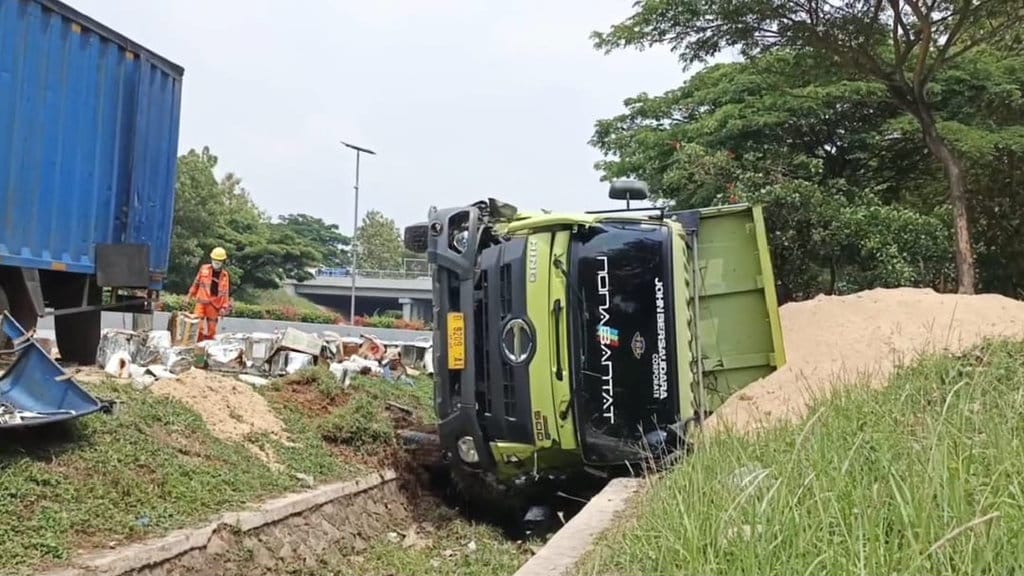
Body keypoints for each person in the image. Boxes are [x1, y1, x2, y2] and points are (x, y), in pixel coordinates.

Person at [188, 247, 232, 342]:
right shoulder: (204, 269)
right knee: (197, 325)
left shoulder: (224, 275)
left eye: (219, 260)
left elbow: (225, 292)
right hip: (202, 301)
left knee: (212, 330)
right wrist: (189, 296)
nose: (217, 262)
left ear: (223, 261)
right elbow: (196, 283)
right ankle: (198, 345)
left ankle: (208, 348)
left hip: (214, 304)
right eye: (215, 260)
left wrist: (224, 307)